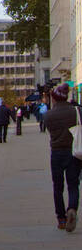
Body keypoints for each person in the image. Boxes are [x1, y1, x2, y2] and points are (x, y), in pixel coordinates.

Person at [43, 83, 81, 232]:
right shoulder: (75, 111)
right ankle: (72, 208)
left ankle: (61, 219)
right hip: (73, 152)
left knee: (57, 187)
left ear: (54, 99)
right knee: (73, 185)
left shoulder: (48, 115)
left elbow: (50, 130)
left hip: (57, 153)